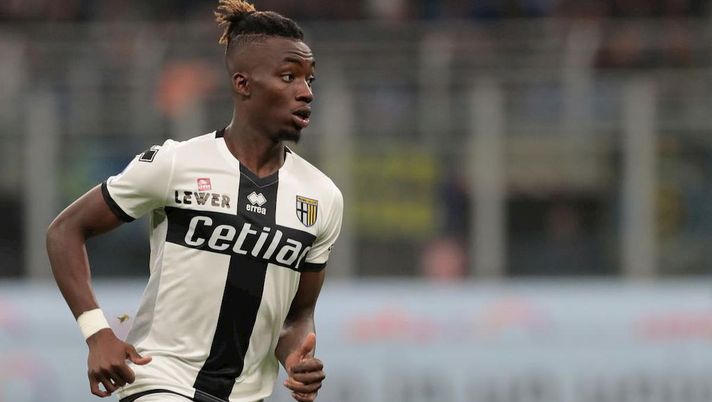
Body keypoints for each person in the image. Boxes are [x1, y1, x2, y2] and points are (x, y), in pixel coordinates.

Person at [46, 1, 343, 401]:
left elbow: (298, 315)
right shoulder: (175, 163)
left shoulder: (321, 196)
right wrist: (97, 333)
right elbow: (65, 230)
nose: (305, 92)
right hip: (161, 381)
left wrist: (296, 359)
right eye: (289, 77)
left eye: (309, 79)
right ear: (243, 84)